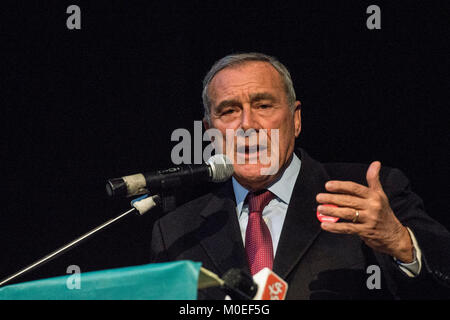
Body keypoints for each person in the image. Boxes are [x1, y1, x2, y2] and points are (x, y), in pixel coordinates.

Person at [150, 52, 450, 299]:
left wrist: (401, 243)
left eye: (263, 105)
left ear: (295, 120)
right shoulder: (176, 231)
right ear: (211, 133)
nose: (247, 124)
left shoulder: (370, 192)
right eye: (228, 111)